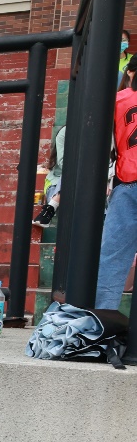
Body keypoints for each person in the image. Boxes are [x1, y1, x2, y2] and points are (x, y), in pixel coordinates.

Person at [94, 67, 137, 310]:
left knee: (112, 259)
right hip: (126, 183)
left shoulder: (118, 99)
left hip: (128, 181)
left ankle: (101, 318)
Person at [34, 125, 67, 228]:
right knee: (72, 171)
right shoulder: (65, 132)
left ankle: (50, 208)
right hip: (57, 185)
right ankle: (51, 207)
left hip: (85, 187)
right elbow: (64, 163)